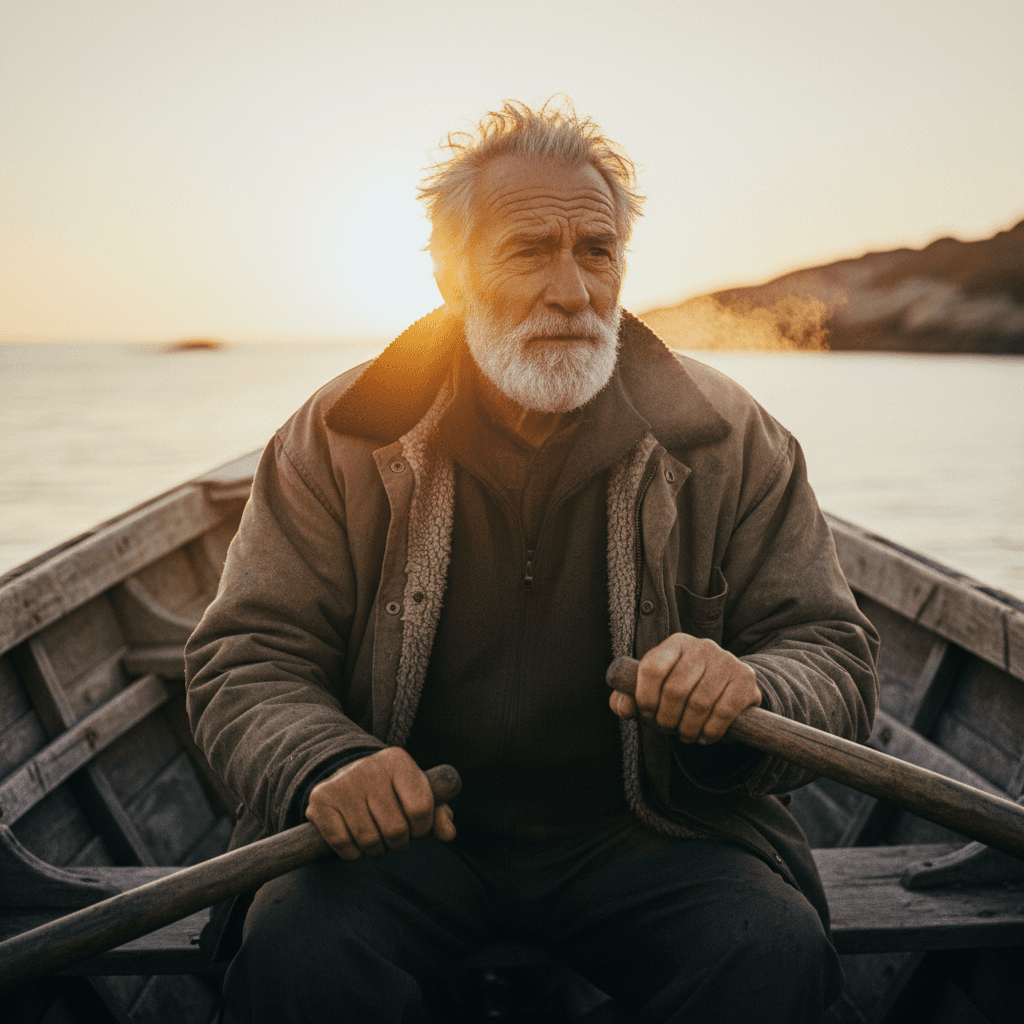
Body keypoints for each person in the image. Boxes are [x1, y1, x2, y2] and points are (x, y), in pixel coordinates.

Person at [185, 99, 879, 1023]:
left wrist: (751, 686)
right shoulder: (339, 436)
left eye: (597, 251)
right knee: (298, 955)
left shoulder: (731, 439)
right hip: (404, 841)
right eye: (528, 251)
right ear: (452, 273)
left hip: (653, 833)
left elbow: (829, 648)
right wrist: (326, 763)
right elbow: (247, 657)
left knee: (771, 953)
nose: (572, 289)